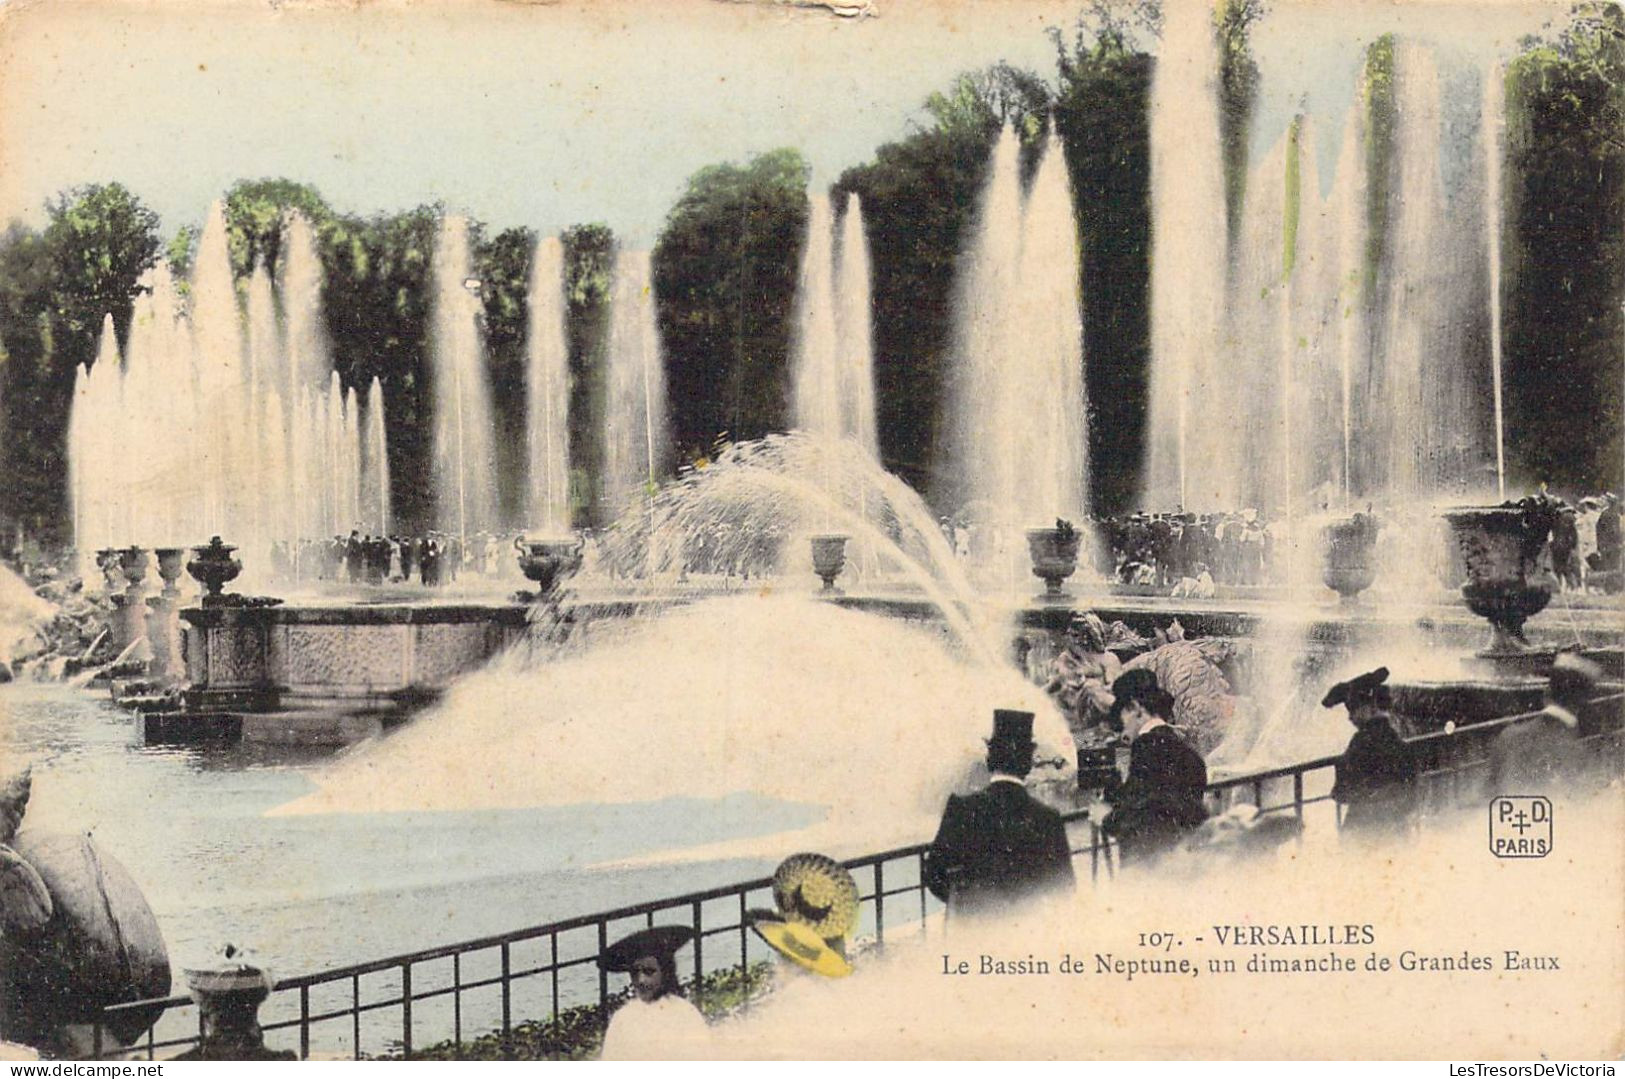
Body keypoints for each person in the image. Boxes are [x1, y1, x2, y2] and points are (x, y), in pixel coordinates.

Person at [924, 709, 1075, 915]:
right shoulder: (1048, 818)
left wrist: (968, 903)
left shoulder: (961, 808)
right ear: (1028, 762)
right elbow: (1065, 890)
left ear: (990, 758)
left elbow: (933, 874)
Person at [1101, 669, 1208, 866]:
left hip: (1152, 865)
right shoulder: (1188, 750)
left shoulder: (1146, 747)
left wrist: (1105, 817)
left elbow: (1138, 814)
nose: (1122, 727)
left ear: (1136, 708)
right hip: (1189, 860)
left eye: (1122, 715)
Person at [1486, 653, 1601, 796]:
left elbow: (1487, 796)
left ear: (1546, 694)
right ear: (1584, 703)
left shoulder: (1508, 735)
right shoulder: (1577, 753)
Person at [1325, 667, 1418, 838]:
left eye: (1353, 710)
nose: (1350, 718)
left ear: (1369, 708)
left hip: (1366, 827)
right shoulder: (1395, 738)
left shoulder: (1361, 743)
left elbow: (1342, 791)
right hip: (1396, 826)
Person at [596, 926, 709, 1060]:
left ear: (665, 972)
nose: (641, 980)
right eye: (635, 973)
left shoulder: (684, 1013)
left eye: (649, 972)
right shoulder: (623, 1019)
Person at [1045, 612, 1121, 731]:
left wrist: (1091, 689)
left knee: (1091, 687)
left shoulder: (1108, 658)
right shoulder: (1064, 658)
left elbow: (1115, 689)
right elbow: (1052, 686)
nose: (1070, 640)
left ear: (1087, 636)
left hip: (1099, 712)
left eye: (1075, 636)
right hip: (1070, 715)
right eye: (1069, 635)